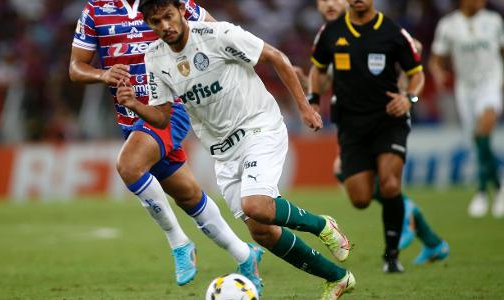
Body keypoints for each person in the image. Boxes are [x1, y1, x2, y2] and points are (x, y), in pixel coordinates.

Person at [118, 0, 356, 298]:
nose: (165, 26)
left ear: (181, 11)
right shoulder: (154, 57)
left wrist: (305, 108)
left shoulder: (218, 34)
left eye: (168, 16)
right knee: (262, 231)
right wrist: (135, 105)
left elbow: (276, 57)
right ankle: (337, 278)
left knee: (256, 205)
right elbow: (163, 117)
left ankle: (322, 224)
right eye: (156, 22)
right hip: (223, 151)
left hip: (259, 126)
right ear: (148, 24)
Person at [68, 0, 263, 288]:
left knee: (129, 165)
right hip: (129, 117)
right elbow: (75, 67)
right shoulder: (96, 10)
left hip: (172, 107)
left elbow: (217, 34)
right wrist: (103, 74)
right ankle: (245, 255)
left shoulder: (176, 3)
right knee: (188, 196)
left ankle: (179, 243)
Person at [309, 0, 449, 273]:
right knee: (360, 199)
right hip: (351, 125)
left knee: (390, 184)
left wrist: (409, 98)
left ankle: (391, 255)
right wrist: (313, 100)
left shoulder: (393, 32)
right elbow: (319, 69)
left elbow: (416, 74)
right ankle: (408, 211)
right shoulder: (331, 32)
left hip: (389, 119)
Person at [429, 0, 504, 218]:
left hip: (490, 84)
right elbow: (437, 59)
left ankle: (481, 192)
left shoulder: (494, 21)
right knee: (479, 141)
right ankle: (498, 188)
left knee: (485, 128)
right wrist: (438, 72)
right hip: (465, 89)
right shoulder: (448, 25)